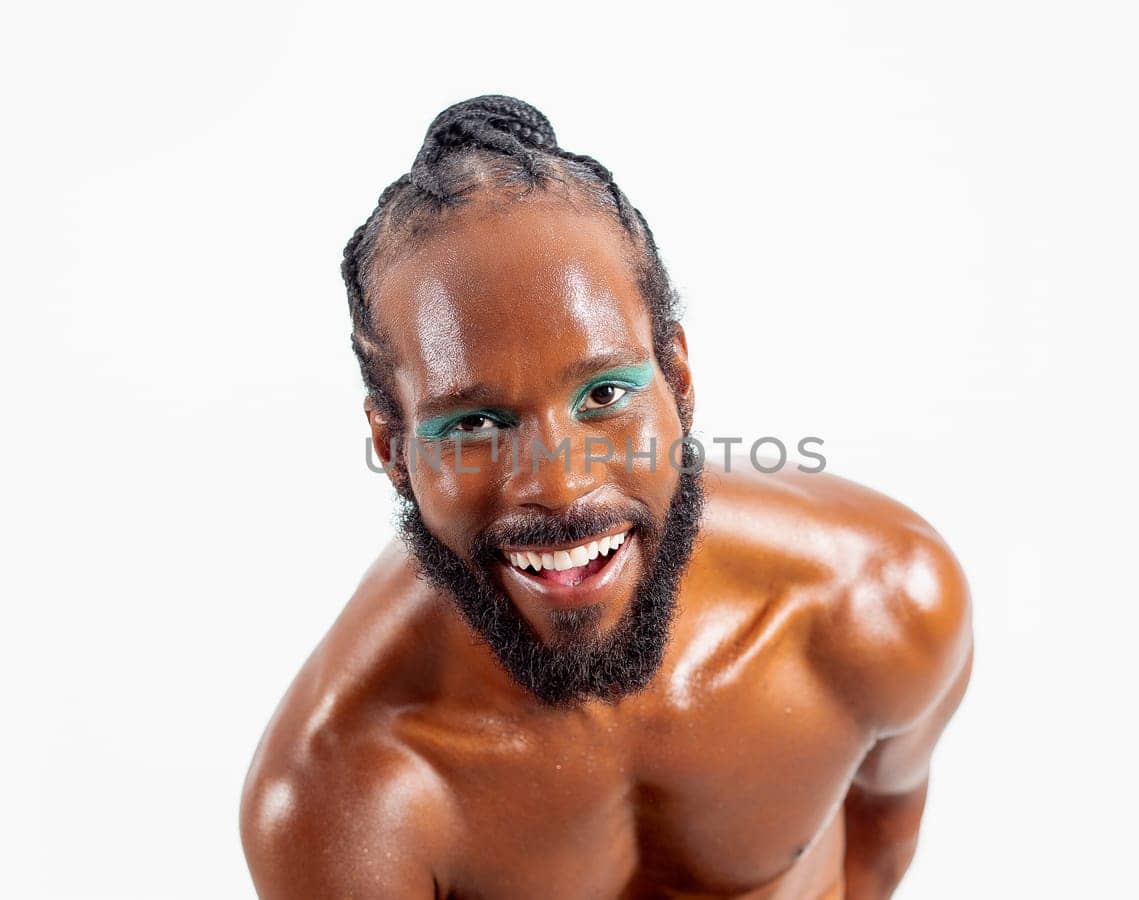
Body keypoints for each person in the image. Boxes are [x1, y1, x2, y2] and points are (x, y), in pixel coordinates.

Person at [240, 95, 973, 900]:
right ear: (394, 449)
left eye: (603, 395)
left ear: (679, 383)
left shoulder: (880, 605)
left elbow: (879, 848)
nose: (559, 485)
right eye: (475, 422)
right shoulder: (345, 798)